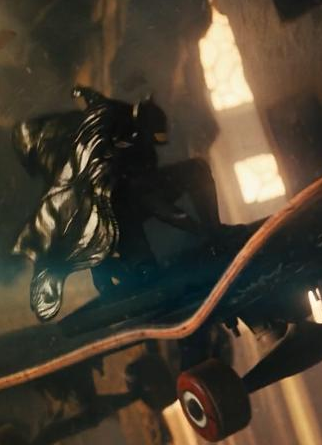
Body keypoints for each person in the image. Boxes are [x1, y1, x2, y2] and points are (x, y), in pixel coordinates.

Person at [12, 85, 221, 321]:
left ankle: (138, 270)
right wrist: (199, 230)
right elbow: (157, 205)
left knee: (189, 175)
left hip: (117, 208)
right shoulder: (105, 140)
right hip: (110, 210)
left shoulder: (122, 134)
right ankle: (135, 272)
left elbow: (150, 194)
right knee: (117, 219)